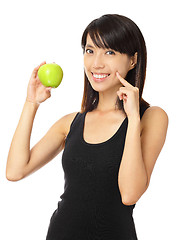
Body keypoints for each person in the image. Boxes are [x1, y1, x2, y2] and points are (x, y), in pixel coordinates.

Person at [6, 14, 168, 240]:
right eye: (90, 50)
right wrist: (31, 103)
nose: (96, 63)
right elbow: (15, 171)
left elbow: (130, 194)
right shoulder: (70, 123)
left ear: (133, 60)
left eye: (109, 52)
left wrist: (132, 118)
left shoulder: (151, 117)